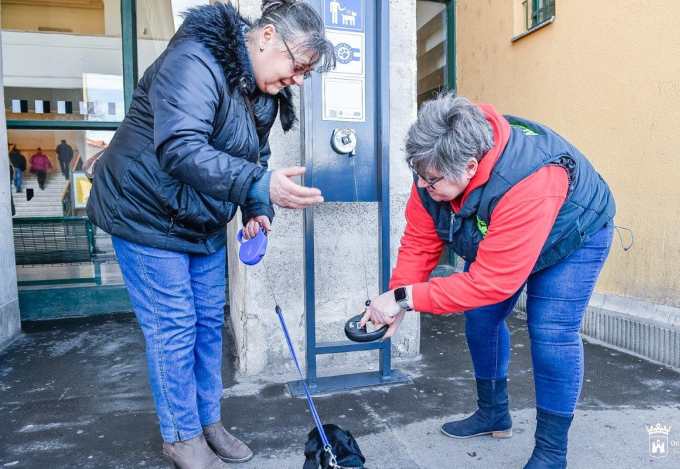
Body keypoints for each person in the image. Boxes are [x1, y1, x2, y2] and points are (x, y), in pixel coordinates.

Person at [86, 2, 334, 468]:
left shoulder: (262, 90)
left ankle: (207, 421)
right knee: (173, 327)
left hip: (199, 218)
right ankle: (180, 436)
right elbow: (180, 147)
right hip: (144, 211)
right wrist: (258, 186)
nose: (298, 80)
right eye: (297, 65)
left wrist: (257, 206)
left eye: (307, 73)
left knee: (205, 324)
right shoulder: (195, 60)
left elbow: (254, 157)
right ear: (265, 37)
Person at [362, 94, 616, 469]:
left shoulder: (528, 180)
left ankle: (550, 453)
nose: (420, 184)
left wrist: (405, 298)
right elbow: (420, 239)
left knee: (551, 332)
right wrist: (397, 298)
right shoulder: (435, 166)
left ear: (468, 167)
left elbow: (490, 283)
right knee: (481, 320)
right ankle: (493, 415)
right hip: (507, 235)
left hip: (572, 236)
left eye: (429, 179)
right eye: (417, 173)